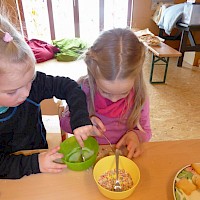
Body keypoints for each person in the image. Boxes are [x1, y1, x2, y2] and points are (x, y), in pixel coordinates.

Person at [0, 12, 100, 179]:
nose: (26, 93)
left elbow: (70, 87)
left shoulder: (31, 86)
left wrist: (80, 118)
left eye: (30, 80)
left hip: (39, 153)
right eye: (12, 91)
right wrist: (34, 163)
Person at [60, 28, 152, 159]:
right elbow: (63, 122)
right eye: (105, 91)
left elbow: (146, 131)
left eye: (124, 92)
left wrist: (136, 136)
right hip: (90, 154)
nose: (114, 100)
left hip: (125, 155)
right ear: (93, 75)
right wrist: (83, 123)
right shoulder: (83, 89)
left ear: (135, 78)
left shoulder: (139, 95)